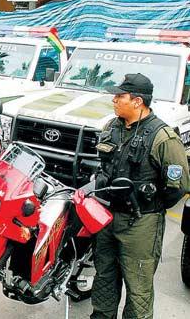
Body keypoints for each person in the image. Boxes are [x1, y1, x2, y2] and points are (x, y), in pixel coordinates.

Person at [91, 73, 190, 319]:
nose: (114, 100)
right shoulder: (111, 127)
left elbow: (179, 185)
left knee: (138, 290)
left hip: (140, 224)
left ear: (137, 101)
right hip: (107, 217)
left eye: (120, 96)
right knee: (103, 278)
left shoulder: (162, 137)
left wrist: (150, 205)